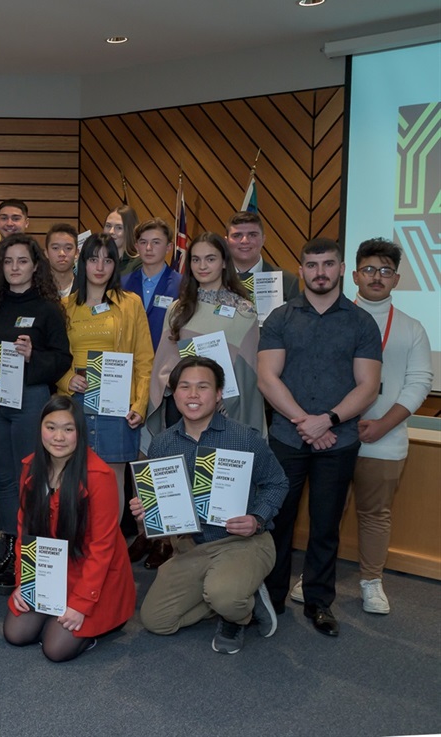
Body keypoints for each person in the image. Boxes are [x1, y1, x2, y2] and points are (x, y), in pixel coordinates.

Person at [258, 237, 381, 636]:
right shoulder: (280, 317)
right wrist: (304, 423)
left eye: (328, 264)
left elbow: (368, 386)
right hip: (287, 440)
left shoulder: (362, 323)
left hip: (338, 440)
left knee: (325, 526)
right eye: (312, 265)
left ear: (342, 268)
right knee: (277, 523)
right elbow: (267, 377)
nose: (320, 272)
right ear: (302, 270)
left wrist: (326, 420)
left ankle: (318, 602)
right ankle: (271, 599)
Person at [132, 356, 287, 654]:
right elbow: (160, 516)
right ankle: (236, 594)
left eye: (202, 387)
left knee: (225, 595)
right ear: (173, 393)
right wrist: (146, 512)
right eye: (184, 387)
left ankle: (236, 612)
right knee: (157, 621)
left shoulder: (244, 438)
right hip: (190, 547)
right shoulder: (162, 444)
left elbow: (277, 483)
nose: (192, 395)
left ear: (218, 395)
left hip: (243, 542)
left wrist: (257, 518)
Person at [3, 395, 135, 661]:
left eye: (68, 429)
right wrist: (23, 583)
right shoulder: (30, 469)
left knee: (55, 649)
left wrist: (82, 604)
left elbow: (102, 548)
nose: (58, 437)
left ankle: (99, 624)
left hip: (93, 574)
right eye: (51, 427)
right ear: (40, 429)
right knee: (16, 634)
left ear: (80, 433)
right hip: (50, 572)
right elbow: (24, 534)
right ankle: (54, 612)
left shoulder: (100, 477)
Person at [0, 233, 72, 593]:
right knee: (5, 479)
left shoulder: (48, 309)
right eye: (8, 262)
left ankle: (34, 552)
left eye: (22, 261)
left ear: (35, 266)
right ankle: (15, 550)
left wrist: (33, 357)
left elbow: (62, 360)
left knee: (32, 478)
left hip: (30, 400)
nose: (14, 268)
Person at [339, 239, 430, 614]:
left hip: (384, 438)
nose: (377, 277)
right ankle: (315, 574)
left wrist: (382, 424)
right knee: (328, 509)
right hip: (334, 434)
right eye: (370, 269)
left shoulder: (411, 328)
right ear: (356, 274)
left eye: (386, 271)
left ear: (397, 278)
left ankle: (371, 581)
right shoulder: (336, 317)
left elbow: (419, 382)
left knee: (375, 514)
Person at [59, 234, 153, 514]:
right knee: (76, 477)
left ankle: (109, 548)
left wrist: (140, 403)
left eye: (108, 259)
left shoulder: (131, 303)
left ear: (115, 265)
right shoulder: (66, 306)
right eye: (92, 259)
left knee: (112, 477)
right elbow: (55, 355)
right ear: (82, 263)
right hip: (76, 399)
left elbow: (144, 358)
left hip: (117, 402)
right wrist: (66, 380)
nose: (100, 266)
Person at [146, 233, 264, 441]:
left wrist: (220, 396)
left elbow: (248, 373)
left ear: (224, 263)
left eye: (210, 259)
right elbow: (163, 365)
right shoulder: (177, 309)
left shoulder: (243, 312)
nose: (202, 266)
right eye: (196, 259)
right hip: (182, 406)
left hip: (224, 408)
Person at [123, 218, 182, 354]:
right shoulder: (122, 284)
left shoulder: (182, 285)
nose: (148, 248)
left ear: (169, 247)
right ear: (137, 246)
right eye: (143, 242)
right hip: (130, 364)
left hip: (166, 363)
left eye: (156, 242)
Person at [227, 211, 301, 307]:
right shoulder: (214, 279)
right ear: (226, 241)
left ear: (263, 239)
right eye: (237, 235)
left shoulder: (287, 281)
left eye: (252, 235)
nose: (244, 241)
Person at [101, 205, 142, 277]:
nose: (111, 231)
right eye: (108, 226)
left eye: (119, 227)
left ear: (130, 231)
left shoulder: (139, 264)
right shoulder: (97, 261)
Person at [45, 222, 79, 299]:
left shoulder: (86, 288)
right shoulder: (36, 289)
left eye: (68, 248)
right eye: (55, 248)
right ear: (46, 253)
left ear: (77, 253)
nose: (62, 253)